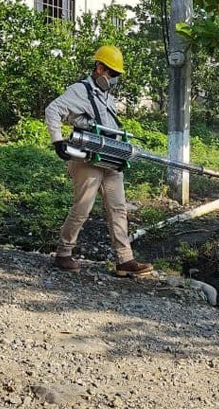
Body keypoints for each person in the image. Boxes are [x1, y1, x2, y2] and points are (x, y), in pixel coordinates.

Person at [45, 45, 153, 277]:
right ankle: (63, 253)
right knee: (82, 208)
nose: (113, 79)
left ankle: (125, 260)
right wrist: (57, 141)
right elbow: (52, 110)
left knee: (118, 208)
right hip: (87, 159)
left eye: (116, 76)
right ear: (99, 67)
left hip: (110, 159)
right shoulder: (79, 91)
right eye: (111, 73)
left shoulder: (108, 99)